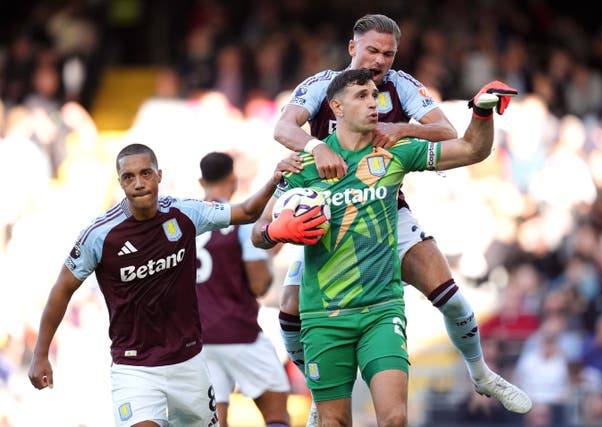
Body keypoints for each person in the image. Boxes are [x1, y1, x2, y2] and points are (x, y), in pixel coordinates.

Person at [273, 13, 530, 422]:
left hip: (383, 206)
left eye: (388, 54)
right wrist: (315, 149)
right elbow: (283, 127)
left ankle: (481, 374)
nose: (379, 60)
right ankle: (320, 395)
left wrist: (404, 130)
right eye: (372, 50)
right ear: (352, 47)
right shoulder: (322, 84)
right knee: (288, 309)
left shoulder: (403, 86)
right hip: (329, 215)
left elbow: (448, 133)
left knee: (448, 292)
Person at [27, 143, 293, 427]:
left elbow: (248, 212)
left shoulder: (185, 213)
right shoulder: (100, 235)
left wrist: (275, 181)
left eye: (145, 173)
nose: (139, 183)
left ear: (159, 175)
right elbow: (62, 288)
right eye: (129, 177)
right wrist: (40, 353)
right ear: (120, 183)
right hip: (134, 367)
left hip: (188, 362)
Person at [195, 152, 290, 427]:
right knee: (276, 413)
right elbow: (258, 283)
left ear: (201, 181)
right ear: (233, 180)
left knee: (214, 420)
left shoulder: (185, 221)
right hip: (239, 333)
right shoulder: (238, 219)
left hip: (198, 339)